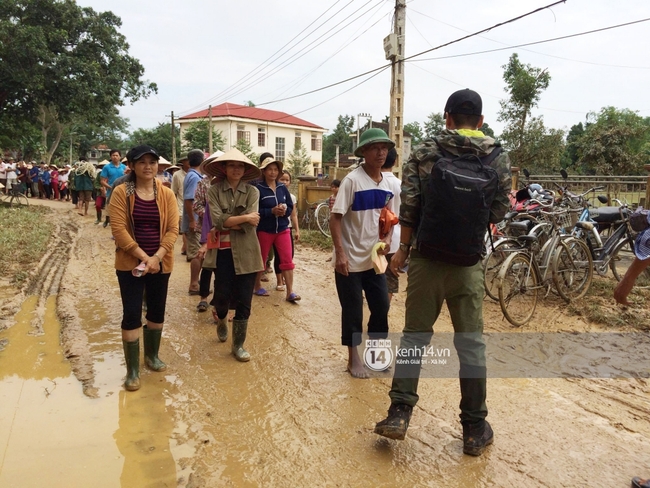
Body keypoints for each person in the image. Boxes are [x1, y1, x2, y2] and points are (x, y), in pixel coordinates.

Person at [374, 89, 511, 458]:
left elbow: (410, 205)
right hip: (467, 264)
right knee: (471, 346)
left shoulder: (426, 151)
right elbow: (499, 211)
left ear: (447, 117)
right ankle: (473, 429)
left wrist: (402, 249)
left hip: (426, 258)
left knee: (415, 338)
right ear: (480, 122)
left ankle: (399, 413)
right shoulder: (497, 157)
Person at [109, 144, 179, 391]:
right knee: (131, 315)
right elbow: (118, 231)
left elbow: (173, 230)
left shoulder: (166, 193)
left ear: (158, 165)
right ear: (132, 166)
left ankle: (152, 356)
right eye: (142, 162)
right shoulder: (121, 192)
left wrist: (157, 257)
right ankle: (133, 370)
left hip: (161, 263)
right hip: (130, 264)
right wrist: (144, 258)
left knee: (156, 312)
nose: (148, 167)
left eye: (152, 162)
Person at [329, 128, 396, 379]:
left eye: (384, 148)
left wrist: (387, 238)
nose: (381, 152)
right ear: (364, 152)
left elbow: (388, 216)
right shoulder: (352, 181)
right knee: (353, 309)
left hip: (373, 260)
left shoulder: (387, 182)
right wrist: (340, 254)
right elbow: (335, 219)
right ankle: (353, 358)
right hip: (349, 260)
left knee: (381, 307)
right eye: (375, 148)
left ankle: (376, 355)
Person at [203, 148, 263, 361]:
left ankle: (238, 345)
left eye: (240, 165)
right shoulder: (214, 190)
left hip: (247, 251)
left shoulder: (253, 192)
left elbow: (252, 224)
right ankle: (221, 318)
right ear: (224, 168)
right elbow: (217, 221)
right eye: (232, 165)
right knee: (221, 297)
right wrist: (244, 218)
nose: (236, 169)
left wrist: (235, 221)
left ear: (245, 169)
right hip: (222, 253)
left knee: (245, 300)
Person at [253, 157, 300, 302]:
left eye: (275, 170)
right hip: (264, 230)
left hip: (282, 229)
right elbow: (254, 210)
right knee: (260, 259)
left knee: (287, 260)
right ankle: (257, 286)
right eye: (270, 169)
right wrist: (270, 211)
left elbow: (290, 206)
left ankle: (290, 292)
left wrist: (283, 211)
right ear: (264, 171)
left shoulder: (282, 188)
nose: (273, 172)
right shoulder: (258, 189)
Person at [181, 149, 206, 295]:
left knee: (200, 253)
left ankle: (197, 282)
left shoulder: (191, 175)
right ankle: (194, 284)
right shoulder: (195, 178)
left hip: (196, 221)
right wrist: (192, 220)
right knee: (197, 253)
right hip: (196, 222)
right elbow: (189, 200)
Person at [381, 148, 402, 302]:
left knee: (371, 276)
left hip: (374, 238)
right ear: (395, 161)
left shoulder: (376, 182)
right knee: (389, 279)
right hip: (395, 240)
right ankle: (382, 316)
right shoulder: (401, 185)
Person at [273, 170, 300, 291]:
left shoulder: (292, 197)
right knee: (278, 256)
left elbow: (293, 215)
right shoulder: (273, 193)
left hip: (286, 228)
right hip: (272, 228)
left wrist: (297, 230)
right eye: (282, 179)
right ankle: (279, 280)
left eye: (287, 180)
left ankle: (286, 282)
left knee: (288, 255)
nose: (284, 182)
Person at [101, 149, 126, 227]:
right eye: (113, 155)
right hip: (111, 192)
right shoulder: (106, 167)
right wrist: (110, 187)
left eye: (117, 155)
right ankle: (113, 226)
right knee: (111, 210)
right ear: (110, 157)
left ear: (120, 157)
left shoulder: (124, 167)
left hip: (123, 191)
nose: (115, 157)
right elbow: (102, 181)